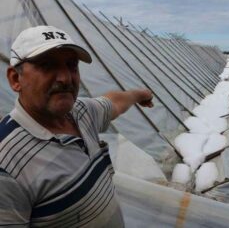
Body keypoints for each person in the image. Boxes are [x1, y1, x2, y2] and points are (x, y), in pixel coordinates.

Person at [0, 25, 153, 227]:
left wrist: (140, 95)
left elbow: (114, 102)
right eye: (47, 65)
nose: (65, 78)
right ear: (15, 79)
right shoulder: (7, 165)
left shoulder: (81, 112)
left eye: (72, 65)